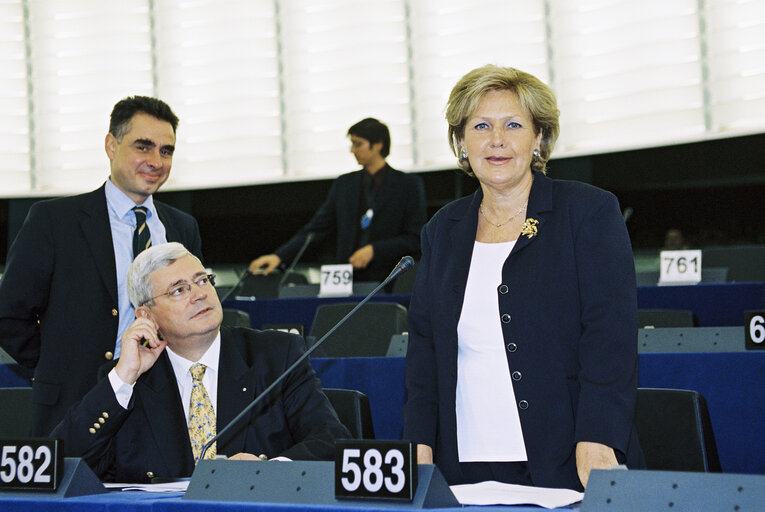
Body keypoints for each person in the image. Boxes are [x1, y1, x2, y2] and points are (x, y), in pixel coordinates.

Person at [402, 65, 642, 491]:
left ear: (539, 138)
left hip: (567, 455)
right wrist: (418, 442)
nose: (496, 139)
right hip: (463, 463)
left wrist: (599, 435)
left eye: (513, 124)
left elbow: (610, 337)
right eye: (481, 126)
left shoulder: (586, 211)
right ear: (461, 142)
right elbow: (424, 348)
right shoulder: (443, 228)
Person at [52, 242, 350, 482]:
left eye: (202, 280)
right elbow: (63, 465)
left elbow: (332, 440)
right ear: (146, 315)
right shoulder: (130, 378)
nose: (199, 294)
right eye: (179, 290)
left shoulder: (274, 354)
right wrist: (123, 378)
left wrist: (269, 470)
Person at [0, 96, 203, 437]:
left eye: (166, 151)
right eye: (144, 146)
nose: (156, 161)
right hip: (75, 404)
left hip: (164, 407)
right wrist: (59, 367)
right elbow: (8, 313)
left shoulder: (183, 227)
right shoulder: (54, 221)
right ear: (111, 145)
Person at [249, 118, 426, 283]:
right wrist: (280, 256)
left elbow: (415, 238)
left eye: (358, 144)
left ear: (378, 144)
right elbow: (316, 229)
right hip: (346, 281)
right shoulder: (345, 185)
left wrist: (375, 250)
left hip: (389, 281)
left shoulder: (408, 185)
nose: (352, 150)